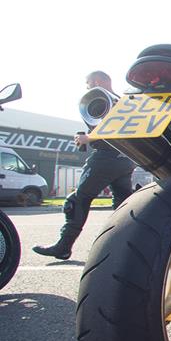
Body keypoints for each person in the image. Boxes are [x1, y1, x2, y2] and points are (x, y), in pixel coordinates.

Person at [33, 71, 135, 260]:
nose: (88, 88)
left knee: (78, 199)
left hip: (106, 157)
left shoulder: (104, 101)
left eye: (88, 84)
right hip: (126, 158)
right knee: (123, 204)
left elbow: (112, 128)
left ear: (98, 81)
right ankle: (126, 247)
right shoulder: (125, 101)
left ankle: (64, 246)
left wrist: (86, 138)